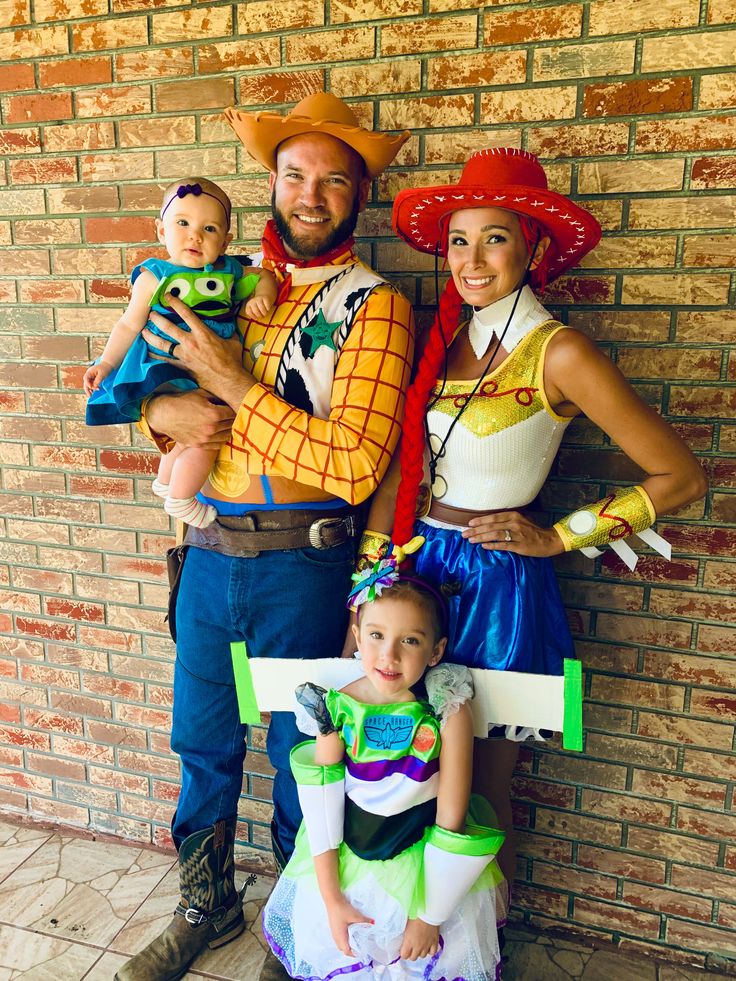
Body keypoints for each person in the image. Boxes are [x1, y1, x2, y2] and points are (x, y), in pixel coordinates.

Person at [114, 94, 414, 981]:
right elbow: (153, 382)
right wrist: (162, 410)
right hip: (209, 554)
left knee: (301, 750)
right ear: (270, 184)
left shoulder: (378, 306)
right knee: (200, 736)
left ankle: (295, 923)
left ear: (359, 195)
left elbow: (359, 461)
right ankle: (205, 902)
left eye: (332, 180)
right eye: (294, 175)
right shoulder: (220, 277)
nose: (309, 194)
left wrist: (237, 386)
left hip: (304, 559)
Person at [354, 147, 708, 899]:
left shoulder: (561, 352)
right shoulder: (443, 340)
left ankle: (480, 949)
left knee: (477, 793)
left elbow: (679, 476)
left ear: (533, 247)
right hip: (412, 582)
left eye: (495, 238)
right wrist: (370, 575)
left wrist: (555, 537)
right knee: (406, 775)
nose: (471, 260)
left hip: (499, 586)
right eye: (458, 239)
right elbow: (401, 467)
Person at [262, 558, 505, 980]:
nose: (388, 655)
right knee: (354, 957)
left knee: (420, 962)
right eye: (376, 635)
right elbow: (321, 807)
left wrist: (431, 914)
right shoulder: (335, 710)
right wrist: (332, 897)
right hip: (349, 859)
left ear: (436, 651)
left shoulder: (446, 710)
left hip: (424, 865)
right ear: (357, 637)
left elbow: (452, 810)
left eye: (410, 640)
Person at [84, 178, 278, 528]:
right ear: (160, 230)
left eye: (209, 228)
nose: (195, 236)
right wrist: (106, 363)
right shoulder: (154, 275)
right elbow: (129, 325)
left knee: (189, 433)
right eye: (183, 223)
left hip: (211, 364)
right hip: (165, 366)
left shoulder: (229, 271)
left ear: (226, 241)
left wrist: (263, 294)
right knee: (209, 435)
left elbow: (262, 276)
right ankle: (182, 499)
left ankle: (166, 481)